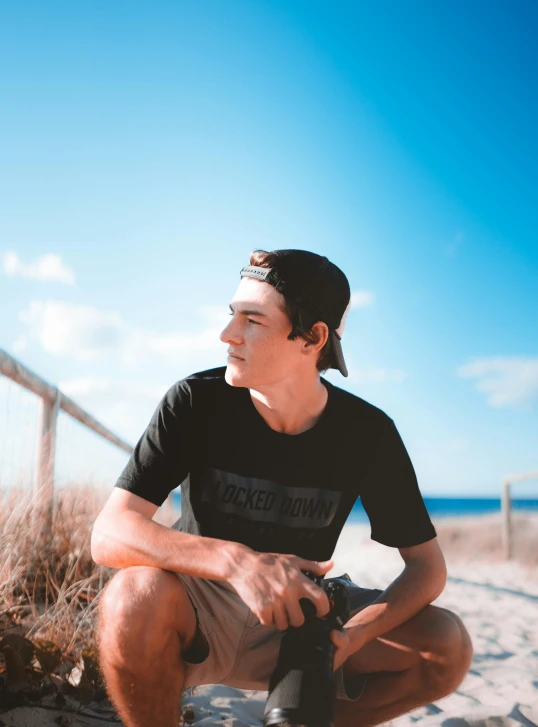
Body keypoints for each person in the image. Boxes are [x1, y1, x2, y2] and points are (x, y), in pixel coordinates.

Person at [91, 248, 473, 727]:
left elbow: (427, 569)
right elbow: (108, 533)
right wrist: (238, 563)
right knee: (131, 597)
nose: (227, 334)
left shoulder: (368, 434)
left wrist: (352, 637)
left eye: (253, 320)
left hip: (301, 624)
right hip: (200, 605)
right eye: (232, 315)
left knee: (446, 644)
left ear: (312, 338)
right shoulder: (194, 402)